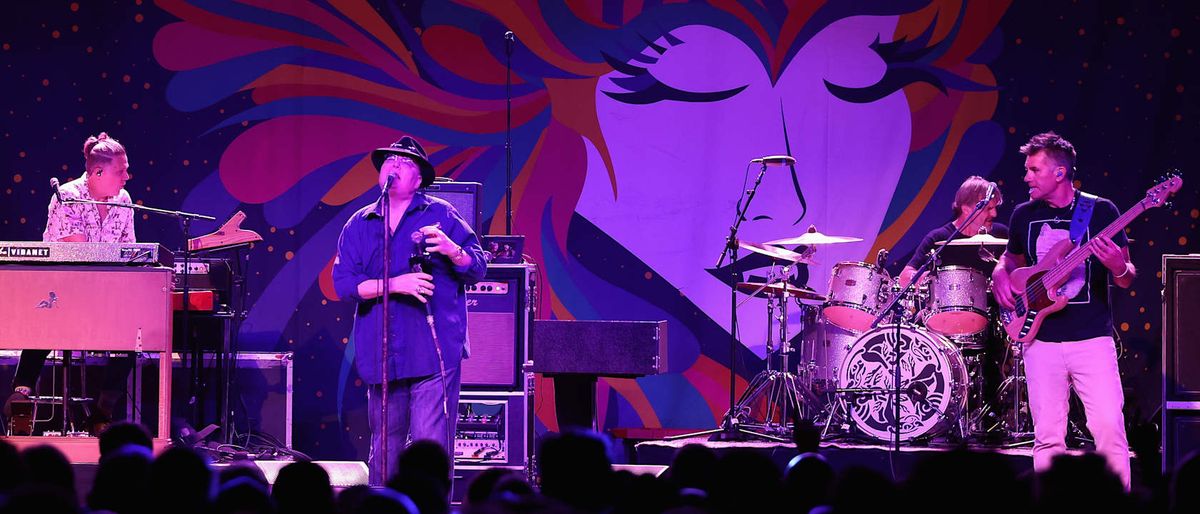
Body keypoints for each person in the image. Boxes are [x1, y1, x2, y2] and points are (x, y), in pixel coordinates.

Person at [332, 135, 486, 484]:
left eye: (405, 162)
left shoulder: (442, 215)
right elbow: (345, 285)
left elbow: (477, 267)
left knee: (430, 447)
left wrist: (451, 249)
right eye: (389, 161)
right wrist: (396, 284)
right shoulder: (359, 223)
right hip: (381, 352)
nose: (395, 165)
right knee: (385, 447)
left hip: (433, 350)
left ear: (419, 179)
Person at [992, 132, 1133, 488]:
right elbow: (1011, 259)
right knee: (1048, 437)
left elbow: (1128, 278)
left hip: (1091, 339)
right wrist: (999, 275)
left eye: (1033, 170)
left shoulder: (1100, 211)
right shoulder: (1024, 215)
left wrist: (1118, 266)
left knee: (1109, 431)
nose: (1025, 177)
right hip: (1041, 339)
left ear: (1059, 173)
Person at [4, 132, 136, 435]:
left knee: (132, 330)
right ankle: (20, 398)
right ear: (98, 172)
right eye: (121, 170)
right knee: (45, 316)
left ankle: (102, 413)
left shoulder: (124, 200)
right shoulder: (66, 196)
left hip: (105, 298)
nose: (127, 176)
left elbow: (129, 251)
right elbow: (78, 254)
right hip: (64, 291)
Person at [898, 175, 1007, 287]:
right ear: (966, 210)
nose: (994, 214)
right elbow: (904, 278)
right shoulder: (938, 239)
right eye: (988, 209)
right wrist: (930, 278)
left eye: (995, 208)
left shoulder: (1002, 234)